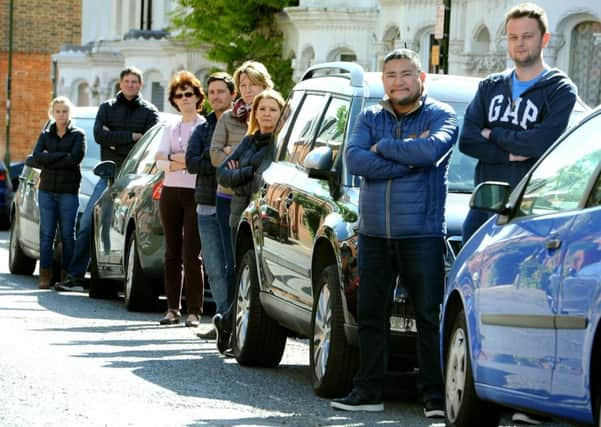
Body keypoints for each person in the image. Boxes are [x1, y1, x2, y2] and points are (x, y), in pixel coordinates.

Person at [330, 48, 458, 419]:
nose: (398, 81)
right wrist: (408, 161)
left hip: (421, 234)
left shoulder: (441, 114)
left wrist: (384, 149)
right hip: (373, 234)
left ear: (421, 79)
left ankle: (434, 396)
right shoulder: (370, 115)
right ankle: (368, 390)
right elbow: (354, 159)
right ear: (382, 81)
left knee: (428, 317)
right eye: (390, 75)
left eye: (405, 74)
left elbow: (431, 150)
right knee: (371, 315)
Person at [460, 2, 577, 243]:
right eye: (513, 37)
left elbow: (538, 144)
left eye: (527, 36)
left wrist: (493, 134)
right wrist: (510, 155)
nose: (519, 43)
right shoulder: (489, 86)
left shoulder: (560, 89)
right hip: (486, 206)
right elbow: (468, 141)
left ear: (544, 39)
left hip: (533, 213)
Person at [55, 66, 159, 291]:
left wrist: (116, 141)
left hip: (135, 178)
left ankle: (120, 276)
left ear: (141, 85)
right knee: (87, 224)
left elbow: (149, 145)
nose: (130, 85)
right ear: (120, 84)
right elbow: (100, 136)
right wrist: (132, 136)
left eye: (135, 82)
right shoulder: (107, 108)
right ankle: (75, 277)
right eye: (127, 81)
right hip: (109, 176)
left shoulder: (150, 112)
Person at [214, 89, 285, 355]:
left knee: (254, 277)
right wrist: (247, 172)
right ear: (255, 114)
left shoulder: (279, 145)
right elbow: (223, 174)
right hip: (239, 213)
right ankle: (232, 326)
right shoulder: (249, 140)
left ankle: (229, 322)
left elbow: (262, 177)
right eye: (262, 109)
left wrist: (242, 172)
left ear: (282, 114)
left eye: (272, 109)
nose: (267, 114)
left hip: (264, 217)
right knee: (240, 272)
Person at [185, 72, 235, 339]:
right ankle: (223, 322)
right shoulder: (202, 129)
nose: (216, 96)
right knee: (214, 267)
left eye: (221, 92)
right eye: (212, 92)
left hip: (232, 202)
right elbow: (191, 162)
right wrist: (217, 157)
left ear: (232, 95)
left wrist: (219, 159)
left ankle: (236, 321)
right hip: (206, 202)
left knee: (232, 266)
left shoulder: (239, 125)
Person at [155, 70, 206, 327]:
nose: (185, 99)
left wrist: (179, 160)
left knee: (191, 254)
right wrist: (181, 161)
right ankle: (172, 308)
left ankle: (194, 311)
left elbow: (198, 161)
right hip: (171, 192)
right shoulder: (170, 126)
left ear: (198, 97)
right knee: (172, 253)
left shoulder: (204, 126)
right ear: (174, 100)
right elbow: (159, 160)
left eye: (189, 94)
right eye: (180, 95)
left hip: (194, 193)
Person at [30, 97, 85, 289]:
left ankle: (66, 275)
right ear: (52, 113)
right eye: (58, 111)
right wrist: (62, 155)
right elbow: (37, 157)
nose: (61, 115)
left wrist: (50, 158)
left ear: (70, 113)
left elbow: (74, 159)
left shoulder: (78, 135)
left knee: (68, 235)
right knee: (46, 234)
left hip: (68, 192)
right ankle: (45, 275)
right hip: (46, 191)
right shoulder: (45, 135)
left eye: (65, 111)